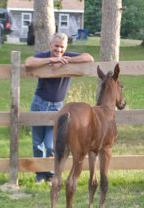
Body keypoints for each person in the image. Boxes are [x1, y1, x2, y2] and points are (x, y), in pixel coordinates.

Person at [25, 32, 94, 185]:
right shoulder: (44, 55)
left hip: (57, 107)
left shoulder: (67, 56)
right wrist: (52, 60)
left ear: (66, 47)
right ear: (51, 45)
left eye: (62, 47)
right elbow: (28, 62)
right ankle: (40, 176)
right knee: (37, 143)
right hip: (38, 103)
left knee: (51, 144)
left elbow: (89, 58)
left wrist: (66, 60)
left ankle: (51, 175)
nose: (59, 50)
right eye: (56, 46)